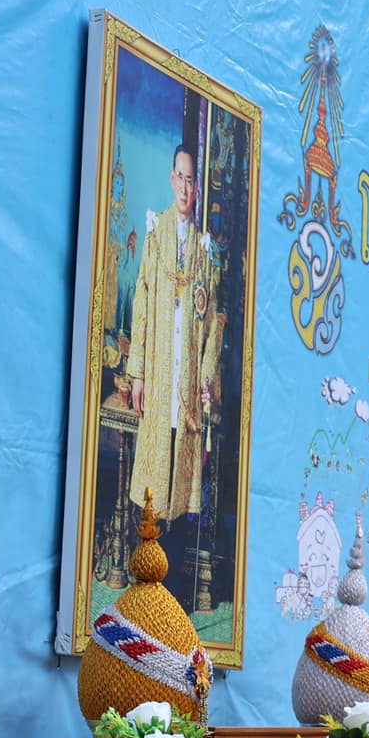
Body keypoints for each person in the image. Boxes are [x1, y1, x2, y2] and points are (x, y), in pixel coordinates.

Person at [125, 144, 223, 540]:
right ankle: (144, 563)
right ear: (171, 179)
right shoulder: (155, 234)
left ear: (197, 188)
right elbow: (142, 306)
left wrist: (206, 378)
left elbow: (213, 322)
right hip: (158, 376)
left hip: (187, 384)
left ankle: (174, 568)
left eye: (191, 180)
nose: (184, 188)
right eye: (179, 178)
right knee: (152, 480)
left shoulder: (203, 250)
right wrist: (137, 374)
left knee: (180, 490)